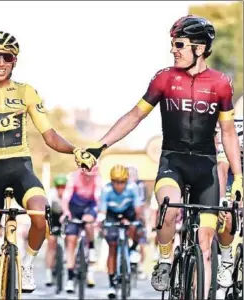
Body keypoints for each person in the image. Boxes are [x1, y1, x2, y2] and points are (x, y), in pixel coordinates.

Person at [82, 16, 243, 297]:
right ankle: (166, 259)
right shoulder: (164, 79)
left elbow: (228, 132)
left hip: (205, 167)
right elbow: (135, 115)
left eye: (178, 44)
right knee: (170, 209)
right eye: (172, 44)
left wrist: (238, 177)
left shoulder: (220, 84)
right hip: (173, 162)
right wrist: (100, 145)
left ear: (200, 47)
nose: (173, 50)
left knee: (206, 240)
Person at [0, 31, 94, 299]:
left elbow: (49, 135)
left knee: (41, 214)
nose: (1, 62)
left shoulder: (26, 91)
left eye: (8, 57)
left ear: (15, 61)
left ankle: (27, 265)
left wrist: (76, 150)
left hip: (21, 169)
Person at [97, 165, 144, 298]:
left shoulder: (132, 187)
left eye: (122, 182)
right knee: (112, 246)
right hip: (112, 214)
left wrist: (137, 221)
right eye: (116, 182)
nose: (119, 185)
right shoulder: (106, 189)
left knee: (137, 226)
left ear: (127, 181)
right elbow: (102, 210)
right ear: (111, 181)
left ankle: (133, 249)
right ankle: (112, 284)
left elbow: (137, 209)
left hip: (129, 211)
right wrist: (102, 221)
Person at [61, 166, 101, 292]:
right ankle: (70, 278)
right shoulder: (72, 177)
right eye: (86, 175)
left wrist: (98, 215)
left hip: (90, 206)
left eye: (91, 176)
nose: (89, 178)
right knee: (71, 240)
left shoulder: (98, 179)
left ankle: (91, 247)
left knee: (89, 222)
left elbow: (98, 198)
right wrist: (66, 212)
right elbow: (65, 198)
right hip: (74, 208)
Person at [214, 118, 243, 291]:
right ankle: (226, 261)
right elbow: (221, 170)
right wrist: (222, 200)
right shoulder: (232, 133)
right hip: (231, 174)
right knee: (228, 216)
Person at [44, 174, 66, 287]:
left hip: (65, 216)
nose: (61, 189)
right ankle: (48, 273)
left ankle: (67, 259)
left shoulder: (68, 194)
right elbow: (46, 210)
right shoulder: (51, 194)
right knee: (51, 243)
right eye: (59, 187)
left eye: (63, 186)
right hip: (53, 217)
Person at [127, 166, 147, 280]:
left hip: (136, 212)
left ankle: (139, 266)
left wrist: (142, 217)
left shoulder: (140, 185)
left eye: (134, 175)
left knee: (140, 238)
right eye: (130, 175)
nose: (132, 177)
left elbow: (142, 202)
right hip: (124, 212)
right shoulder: (122, 185)